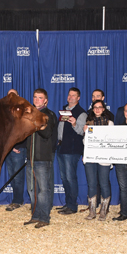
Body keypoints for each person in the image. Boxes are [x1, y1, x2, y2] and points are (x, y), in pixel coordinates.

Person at [24, 88, 58, 228]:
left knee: (43, 189)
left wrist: (37, 122)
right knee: (32, 189)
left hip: (43, 158)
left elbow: (47, 134)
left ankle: (44, 217)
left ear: (45, 100)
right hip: (30, 158)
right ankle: (35, 215)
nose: (37, 100)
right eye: (35, 97)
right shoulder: (30, 114)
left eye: (40, 98)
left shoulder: (48, 115)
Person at [56, 87, 86, 215]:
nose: (70, 97)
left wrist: (74, 124)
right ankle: (68, 204)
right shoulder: (64, 111)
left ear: (78, 98)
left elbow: (81, 131)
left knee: (70, 177)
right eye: (69, 95)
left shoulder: (81, 113)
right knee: (64, 177)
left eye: (73, 95)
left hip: (72, 149)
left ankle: (73, 206)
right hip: (62, 147)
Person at [82, 100, 114, 221]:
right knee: (91, 184)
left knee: (104, 183)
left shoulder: (109, 123)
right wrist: (85, 133)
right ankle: (92, 211)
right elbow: (85, 142)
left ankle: (103, 211)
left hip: (104, 157)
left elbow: (111, 140)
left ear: (104, 109)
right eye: (95, 107)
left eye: (100, 107)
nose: (97, 109)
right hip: (91, 156)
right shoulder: (88, 122)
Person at [4, 89, 26, 212]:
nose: (11, 97)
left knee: (17, 176)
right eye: (9, 95)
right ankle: (17, 199)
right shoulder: (5, 112)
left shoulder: (22, 111)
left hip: (18, 148)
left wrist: (16, 145)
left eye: (14, 95)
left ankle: (17, 200)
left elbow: (23, 130)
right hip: (8, 148)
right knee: (12, 175)